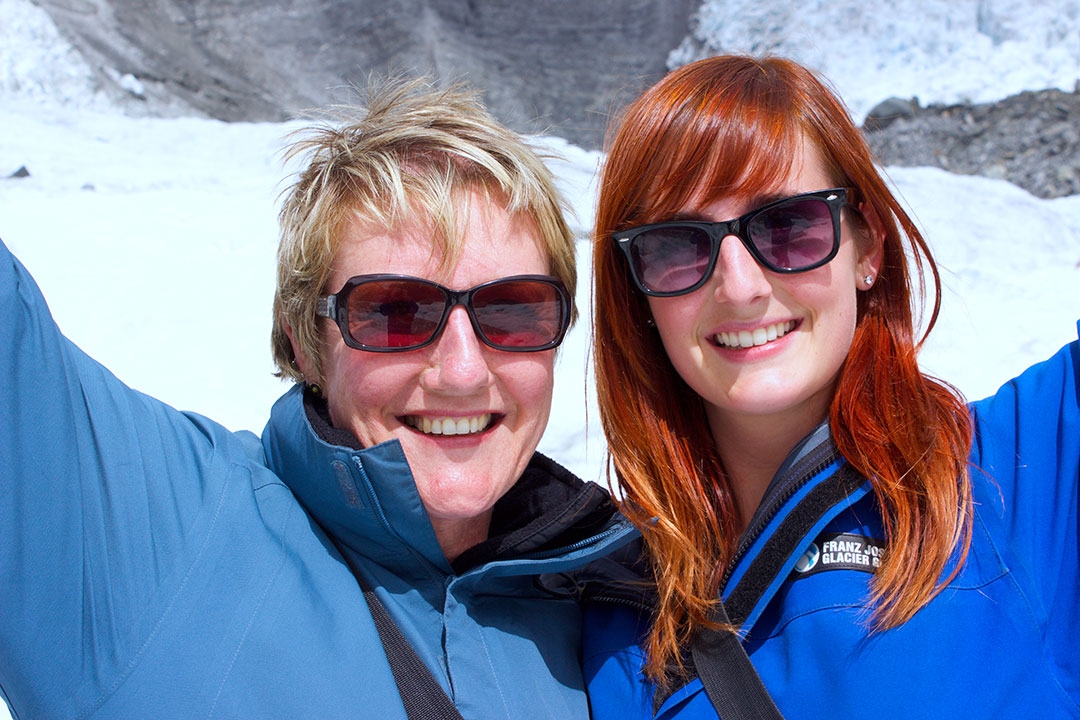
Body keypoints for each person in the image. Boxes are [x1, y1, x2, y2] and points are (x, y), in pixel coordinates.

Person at [0, 78, 636, 719]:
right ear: (303, 340)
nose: (464, 372)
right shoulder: (160, 541)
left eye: (511, 310)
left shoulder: (611, 609)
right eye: (396, 313)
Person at [582, 55, 1079, 718]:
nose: (740, 286)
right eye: (677, 245)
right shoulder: (604, 605)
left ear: (867, 247)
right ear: (638, 292)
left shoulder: (1023, 475)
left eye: (788, 226)